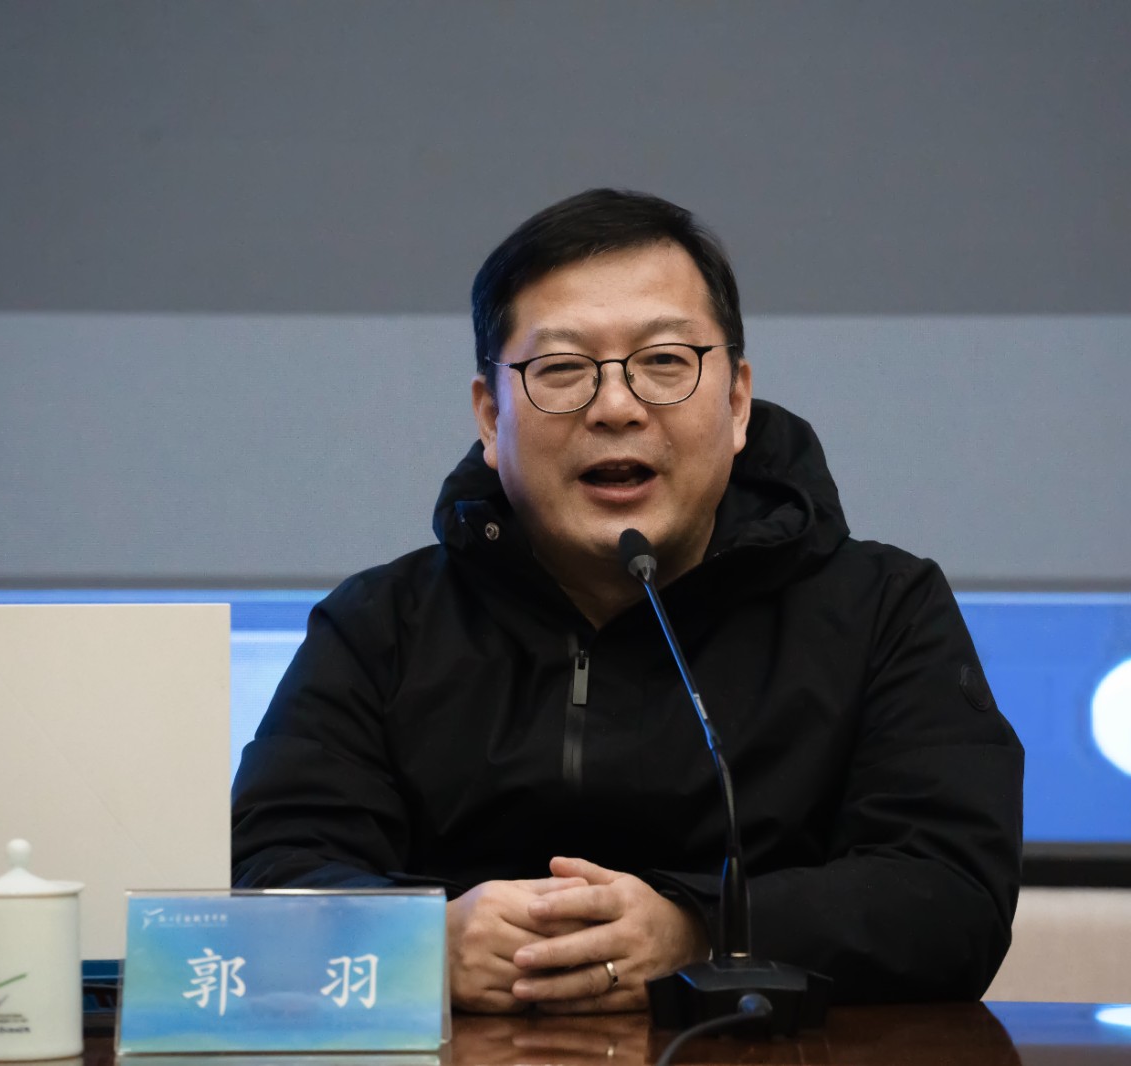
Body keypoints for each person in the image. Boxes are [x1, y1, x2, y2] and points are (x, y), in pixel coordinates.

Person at [231, 188, 1024, 1014]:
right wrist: (422, 944)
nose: (616, 406)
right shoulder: (380, 626)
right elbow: (269, 875)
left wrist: (698, 932)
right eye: (561, 369)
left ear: (737, 401)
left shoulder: (884, 610)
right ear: (491, 419)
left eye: (665, 362)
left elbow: (952, 896)